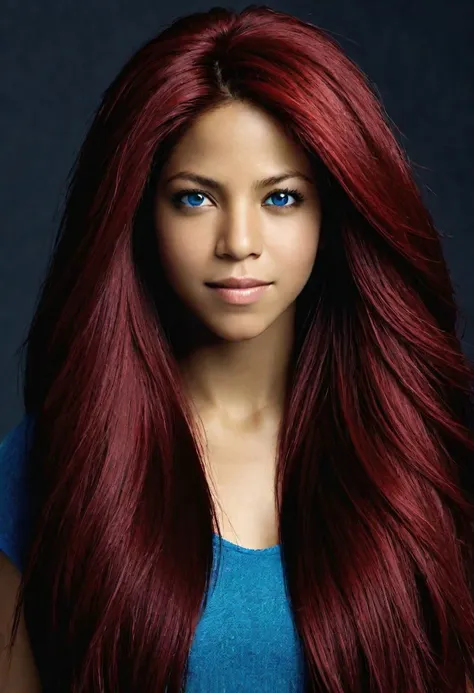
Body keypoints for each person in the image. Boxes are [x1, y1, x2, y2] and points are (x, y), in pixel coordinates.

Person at [0, 4, 473, 692]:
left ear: (334, 210)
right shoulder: (50, 461)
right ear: (138, 212)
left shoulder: (421, 453)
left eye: (281, 198)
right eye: (195, 199)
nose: (239, 241)